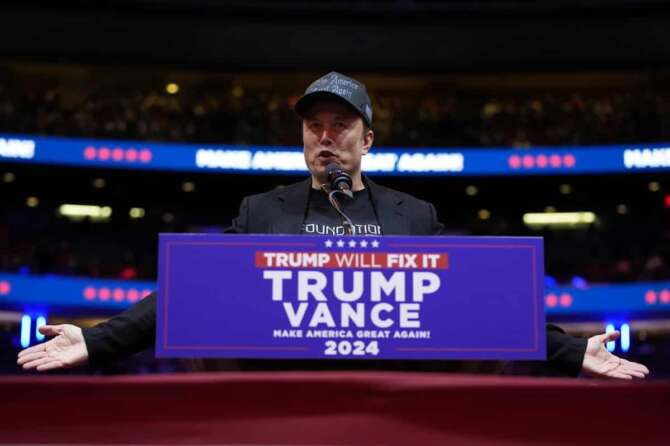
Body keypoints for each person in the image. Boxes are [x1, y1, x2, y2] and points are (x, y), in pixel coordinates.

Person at [18, 72, 649, 379]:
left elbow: (476, 302)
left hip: (394, 406)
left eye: (340, 125)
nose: (326, 136)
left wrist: (570, 351)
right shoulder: (262, 211)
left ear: (367, 139)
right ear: (301, 140)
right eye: (313, 125)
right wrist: (99, 339)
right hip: (279, 404)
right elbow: (192, 290)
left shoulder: (413, 215)